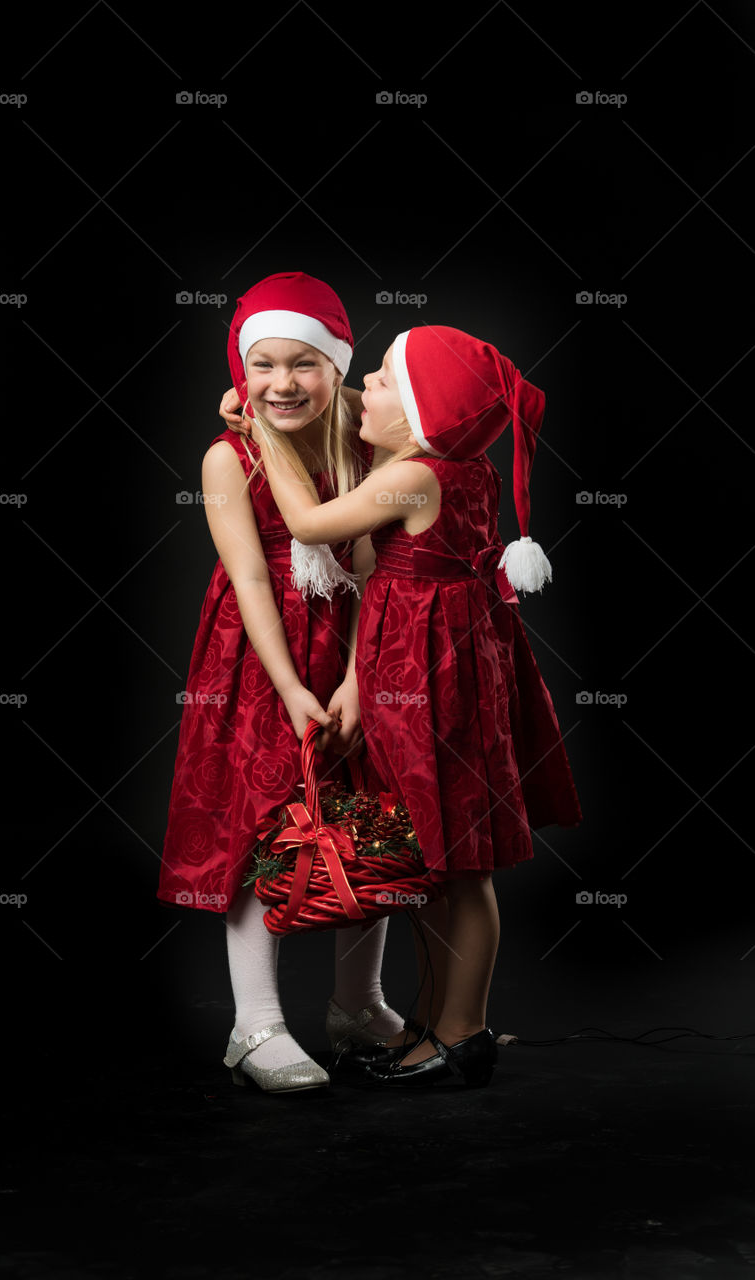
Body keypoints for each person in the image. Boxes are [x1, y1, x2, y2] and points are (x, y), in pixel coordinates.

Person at [252, 325, 584, 1088]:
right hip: (435, 673)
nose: (364, 384)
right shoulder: (448, 466)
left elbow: (307, 525)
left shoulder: (418, 476)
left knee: (458, 865)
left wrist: (264, 431)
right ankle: (434, 1026)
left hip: (431, 682)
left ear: (422, 413)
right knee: (436, 856)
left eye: (380, 379)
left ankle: (461, 1032)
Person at [157, 272, 408, 1093]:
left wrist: (358, 684)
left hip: (352, 651)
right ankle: (255, 1022)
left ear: (337, 365)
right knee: (260, 822)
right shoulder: (227, 457)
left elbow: (374, 573)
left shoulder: (364, 448)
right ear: (240, 373)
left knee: (364, 815)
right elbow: (252, 582)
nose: (281, 384)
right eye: (261, 366)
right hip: (259, 655)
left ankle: (356, 1003)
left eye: (302, 364)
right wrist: (295, 686)